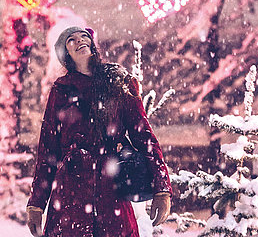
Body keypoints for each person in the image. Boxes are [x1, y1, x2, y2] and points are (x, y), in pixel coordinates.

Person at [26, 26, 172, 237]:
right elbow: (48, 150)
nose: (80, 41)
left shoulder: (119, 82)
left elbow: (144, 136)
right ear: (65, 54)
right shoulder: (61, 90)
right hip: (69, 197)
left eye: (84, 36)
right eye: (71, 40)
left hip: (112, 190)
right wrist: (36, 204)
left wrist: (162, 189)